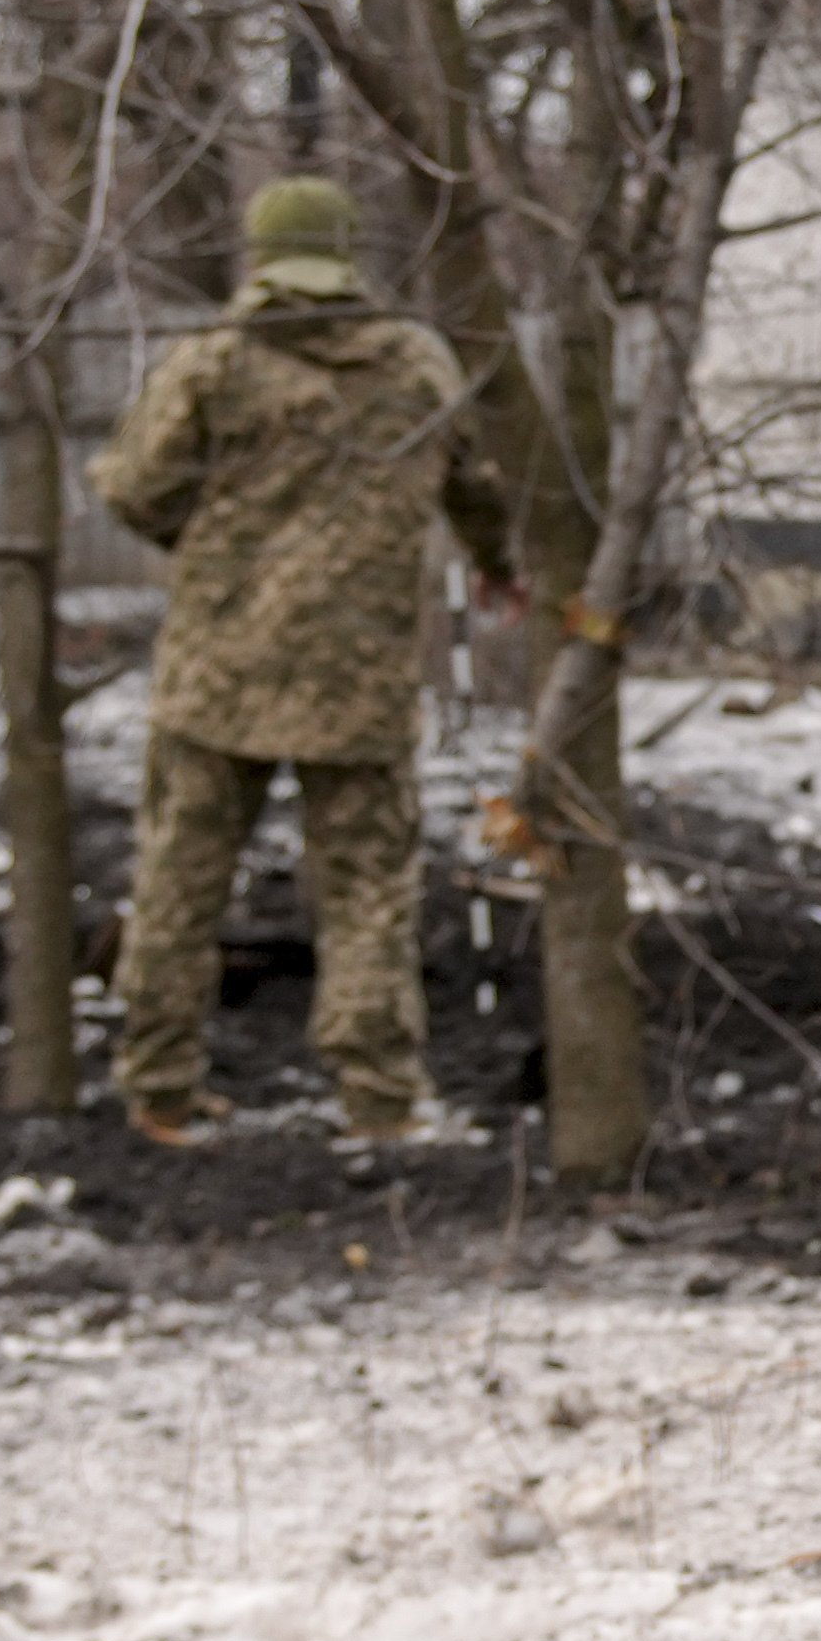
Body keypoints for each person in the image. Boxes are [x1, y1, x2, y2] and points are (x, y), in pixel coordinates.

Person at [94, 176, 514, 1148]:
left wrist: (204, 524)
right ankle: (381, 1099)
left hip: (217, 669)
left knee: (180, 879)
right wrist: (497, 564)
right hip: (356, 677)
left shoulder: (213, 362)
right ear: (348, 248)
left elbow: (132, 490)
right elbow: (477, 483)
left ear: (256, 252)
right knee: (368, 890)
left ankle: (157, 1085)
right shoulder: (413, 361)